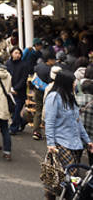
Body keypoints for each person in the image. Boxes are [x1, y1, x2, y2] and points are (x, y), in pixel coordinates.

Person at [42, 70, 93, 199]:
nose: (75, 83)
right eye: (73, 81)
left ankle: (55, 194)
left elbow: (78, 122)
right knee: (69, 179)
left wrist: (88, 141)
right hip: (61, 143)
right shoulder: (54, 97)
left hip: (75, 144)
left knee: (69, 179)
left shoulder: (70, 97)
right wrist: (51, 144)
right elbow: (50, 122)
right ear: (65, 82)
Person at [5, 46, 30, 135]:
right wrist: (9, 88)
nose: (18, 55)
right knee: (12, 109)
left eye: (19, 53)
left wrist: (16, 88)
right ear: (11, 54)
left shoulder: (24, 64)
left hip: (20, 92)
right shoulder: (7, 63)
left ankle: (13, 128)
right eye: (16, 53)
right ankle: (22, 122)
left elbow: (24, 79)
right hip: (9, 91)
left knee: (17, 109)